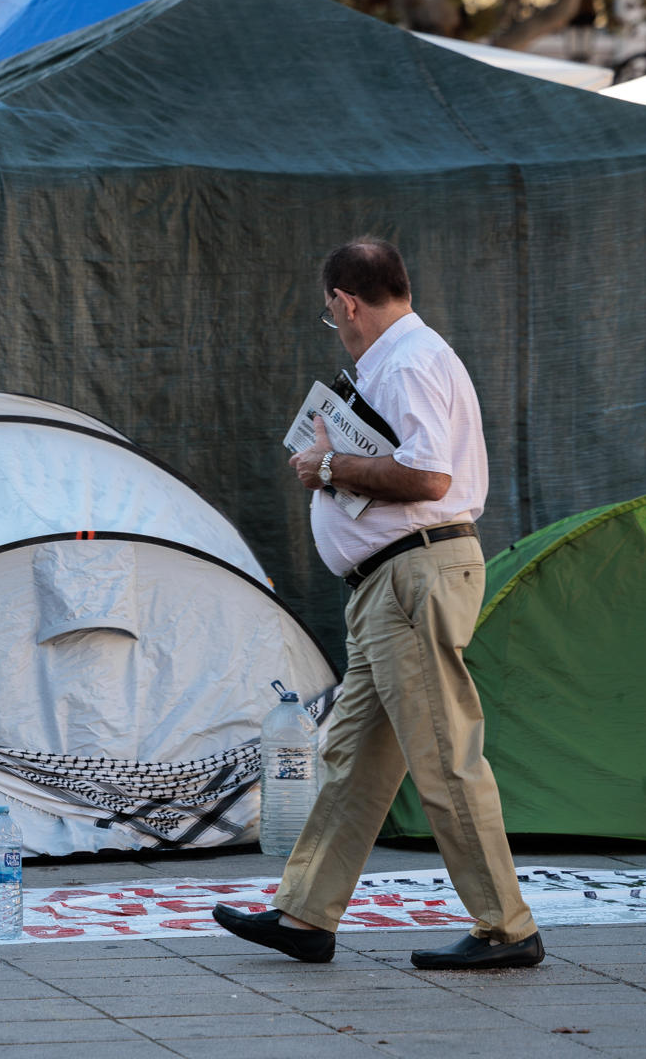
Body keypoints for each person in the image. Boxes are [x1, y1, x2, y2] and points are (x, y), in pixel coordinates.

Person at [213, 237, 542, 970]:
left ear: (346, 302)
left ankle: (507, 927)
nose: (337, 324)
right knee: (353, 760)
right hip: (392, 585)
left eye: (333, 313)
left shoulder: (408, 361)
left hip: (410, 578)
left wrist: (328, 465)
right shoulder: (407, 358)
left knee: (446, 759)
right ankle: (305, 915)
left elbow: (428, 476)